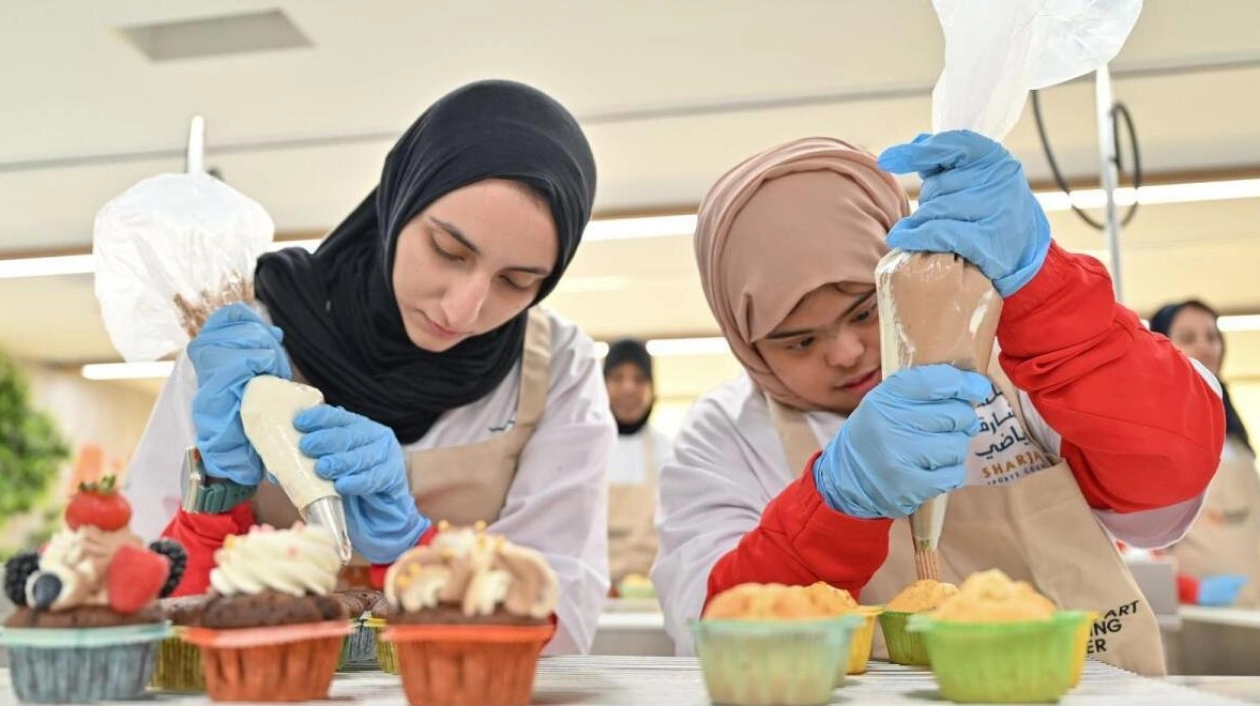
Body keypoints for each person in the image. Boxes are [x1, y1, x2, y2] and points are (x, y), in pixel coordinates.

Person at [652, 131, 1225, 675]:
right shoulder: (725, 433)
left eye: (864, 309)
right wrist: (835, 504)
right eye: (798, 341)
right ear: (746, 343)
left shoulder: (1017, 360)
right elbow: (713, 636)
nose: (847, 353)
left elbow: (1161, 501)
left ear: (900, 272)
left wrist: (1045, 290)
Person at [122, 79, 614, 654]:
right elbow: (137, 594)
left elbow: (559, 621)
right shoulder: (245, 341)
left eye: (516, 282)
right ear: (399, 202)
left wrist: (413, 543)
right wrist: (216, 499)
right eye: (448, 251)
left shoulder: (556, 369)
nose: (464, 309)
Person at [1150, 299, 1260, 608]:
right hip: (1195, 613)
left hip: (1251, 603)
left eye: (1212, 336)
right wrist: (1191, 590)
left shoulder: (1234, 431)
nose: (1205, 346)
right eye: (1188, 337)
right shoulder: (1152, 431)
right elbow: (1133, 547)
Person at [602, 339, 672, 588]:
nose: (628, 388)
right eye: (618, 378)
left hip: (649, 597)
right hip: (591, 595)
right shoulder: (582, 451)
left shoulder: (669, 453)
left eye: (639, 379)